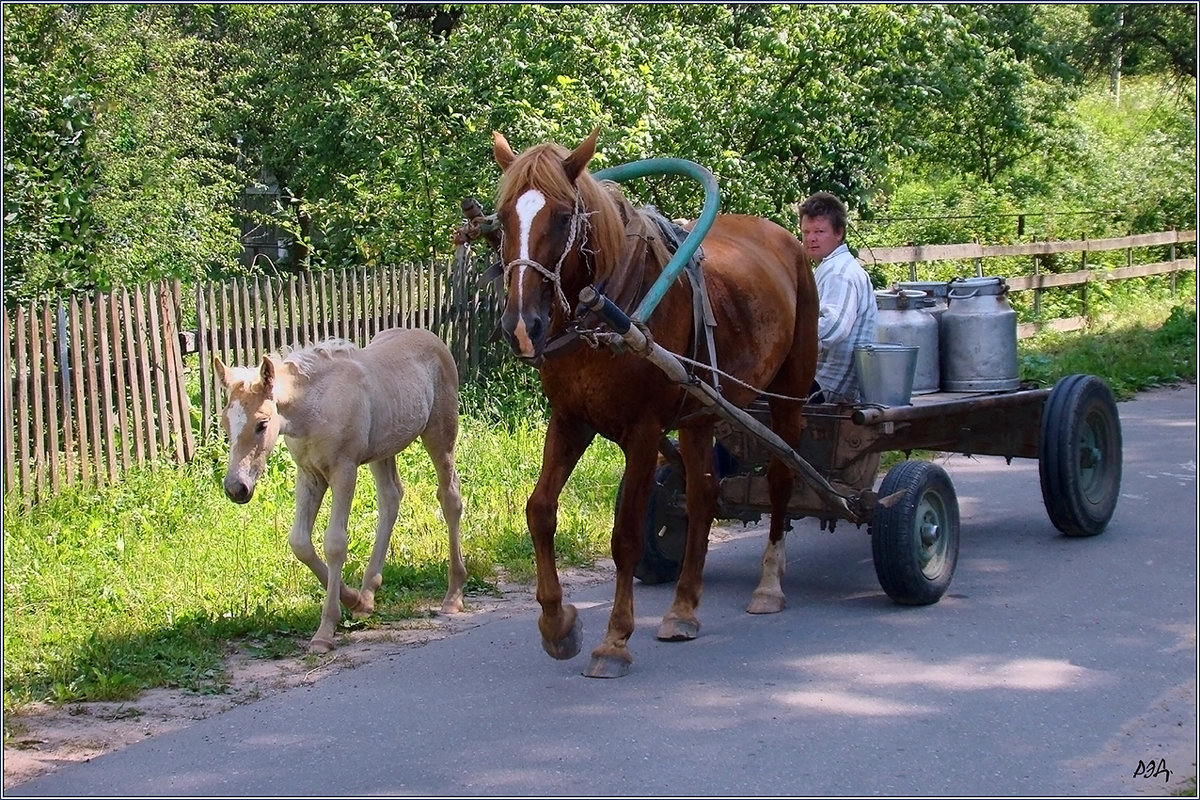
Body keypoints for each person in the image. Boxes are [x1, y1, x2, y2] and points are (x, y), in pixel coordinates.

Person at [798, 191, 877, 404]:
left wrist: (788, 343)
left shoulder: (839, 273)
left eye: (820, 231)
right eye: (806, 232)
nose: (811, 239)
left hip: (827, 386)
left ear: (839, 233)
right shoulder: (829, 267)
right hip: (819, 380)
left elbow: (833, 327)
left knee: (742, 399)